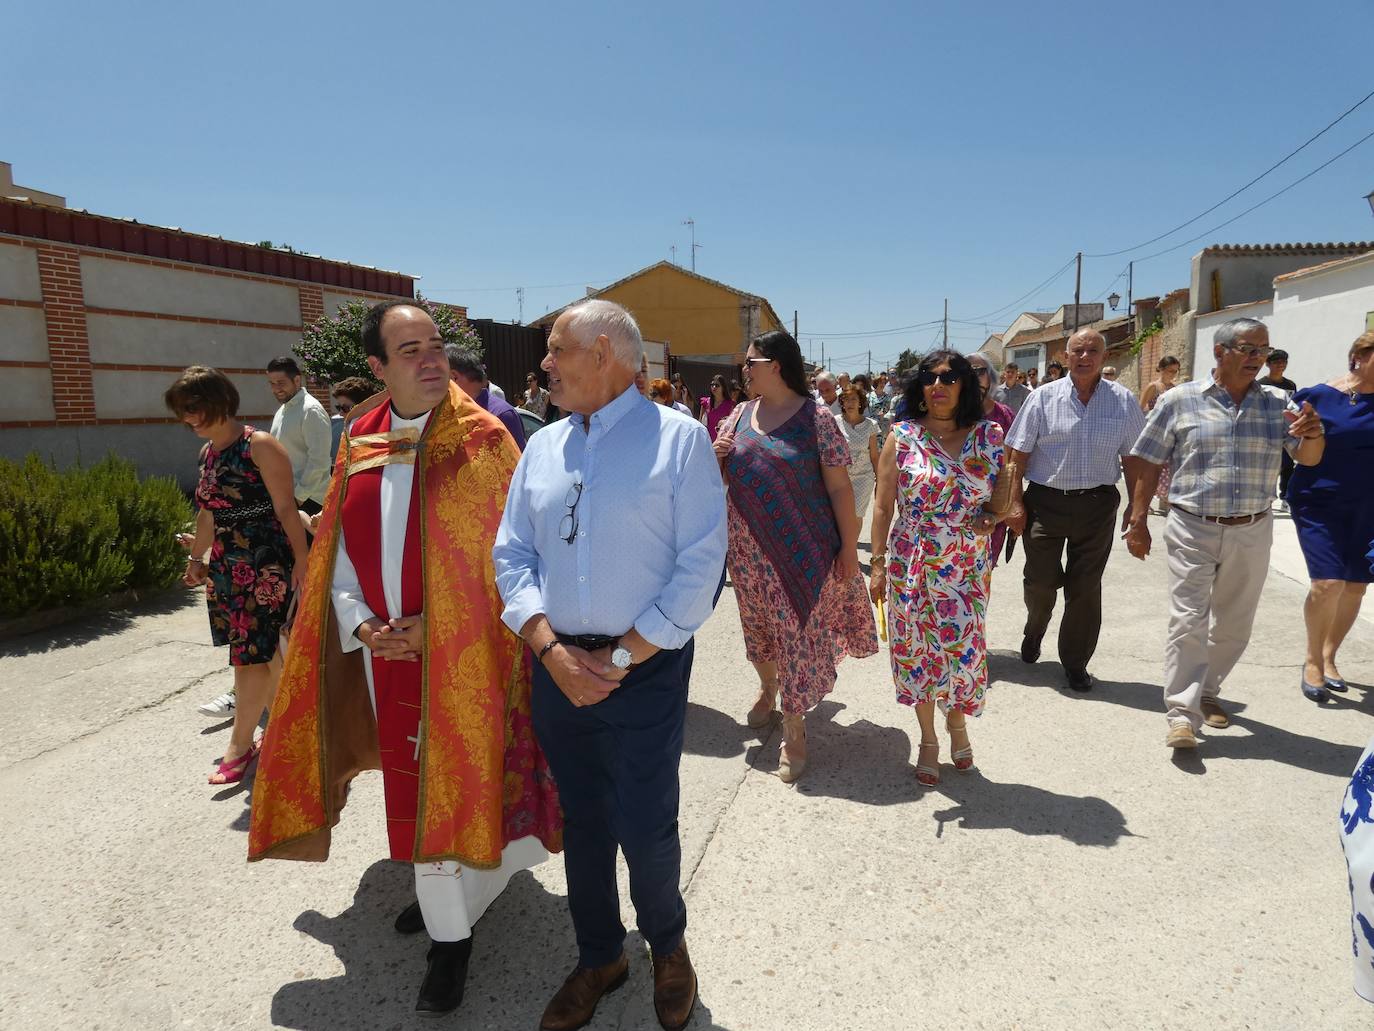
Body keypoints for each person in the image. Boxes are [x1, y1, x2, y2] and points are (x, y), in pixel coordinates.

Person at [248, 301, 562, 1016]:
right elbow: (340, 555)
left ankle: (452, 937)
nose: (431, 360)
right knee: (412, 781)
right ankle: (439, 888)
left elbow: (513, 563)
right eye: (410, 349)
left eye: (436, 346)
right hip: (381, 653)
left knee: (458, 779)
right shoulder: (358, 435)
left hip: (467, 657)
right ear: (377, 368)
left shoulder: (484, 439)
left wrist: (439, 629)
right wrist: (361, 627)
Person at [494, 299, 726, 1031]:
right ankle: (601, 955)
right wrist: (550, 648)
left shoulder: (679, 440)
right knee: (584, 818)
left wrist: (621, 654)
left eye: (556, 350)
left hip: (645, 666)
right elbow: (513, 553)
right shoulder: (543, 445)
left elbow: (701, 567)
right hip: (556, 661)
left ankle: (667, 947)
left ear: (602, 351)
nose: (545, 366)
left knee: (647, 822)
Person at [1124, 318, 1325, 748]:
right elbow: (1148, 461)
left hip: (1251, 527)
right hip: (1192, 525)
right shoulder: (1179, 400)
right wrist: (1138, 520)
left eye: (1264, 351)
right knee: (1188, 619)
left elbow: (1308, 458)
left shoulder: (1279, 403)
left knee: (1235, 624)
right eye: (1249, 349)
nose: (1259, 359)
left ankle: (1207, 690)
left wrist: (1314, 433)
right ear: (1220, 352)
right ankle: (1181, 712)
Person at [714, 330, 878, 783]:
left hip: (803, 554)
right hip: (747, 555)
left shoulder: (817, 418)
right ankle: (768, 688)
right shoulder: (739, 415)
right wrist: (716, 458)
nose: (744, 371)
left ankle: (795, 727)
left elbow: (840, 486)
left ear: (776, 365)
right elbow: (719, 478)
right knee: (759, 632)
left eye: (751, 362)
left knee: (795, 639)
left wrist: (849, 545)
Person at [869, 350, 1011, 785]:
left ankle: (958, 722)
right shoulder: (902, 434)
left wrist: (994, 514)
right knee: (916, 655)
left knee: (962, 654)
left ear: (966, 385)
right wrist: (876, 565)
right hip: (911, 560)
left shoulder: (989, 435)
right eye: (930, 378)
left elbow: (1001, 495)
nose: (939, 386)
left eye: (949, 379)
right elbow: (882, 502)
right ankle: (928, 738)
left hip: (965, 565)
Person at [165, 367, 307, 780]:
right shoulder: (208, 453)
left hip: (265, 562)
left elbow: (286, 508)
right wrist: (197, 558)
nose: (189, 419)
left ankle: (240, 747)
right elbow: (209, 510)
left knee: (251, 657)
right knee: (264, 657)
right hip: (229, 565)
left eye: (195, 409)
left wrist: (303, 559)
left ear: (221, 402)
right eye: (183, 412)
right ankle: (290, 733)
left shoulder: (258, 445)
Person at [1002, 328, 1148, 691]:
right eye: (1078, 351)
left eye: (1093, 351)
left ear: (1104, 356)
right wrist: (1014, 503)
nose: (1085, 357)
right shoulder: (1042, 398)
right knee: (1041, 582)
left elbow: (1134, 459)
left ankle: (1076, 662)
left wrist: (1137, 508)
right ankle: (1034, 629)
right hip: (1045, 503)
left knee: (1085, 588)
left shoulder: (1123, 400)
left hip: (1097, 505)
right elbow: (1016, 454)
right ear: (1066, 357)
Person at [1289, 332, 1374, 700]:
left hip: (1369, 505)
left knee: (1355, 584)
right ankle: (1311, 660)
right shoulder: (1317, 396)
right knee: (1328, 583)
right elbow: (1297, 451)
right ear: (1359, 355)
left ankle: (1329, 655)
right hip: (1319, 500)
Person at [966, 350, 1016, 569]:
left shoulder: (1004, 415)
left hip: (992, 513)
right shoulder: (949, 416)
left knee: (982, 575)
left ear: (991, 377)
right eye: (966, 372)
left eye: (979, 371)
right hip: (953, 511)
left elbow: (1014, 466)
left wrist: (1015, 506)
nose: (973, 376)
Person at [266, 356, 332, 516]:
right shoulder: (282, 411)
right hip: (289, 497)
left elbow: (319, 460)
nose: (276, 389)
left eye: (281, 383)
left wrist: (299, 497)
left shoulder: (311, 410)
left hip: (311, 501)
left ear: (296, 380)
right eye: (272, 384)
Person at [447, 345, 527, 450]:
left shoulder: (502, 415)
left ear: (454, 377)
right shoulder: (452, 414)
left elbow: (519, 464)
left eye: (440, 377)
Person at [1139, 356, 1182, 515]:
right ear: (1162, 369)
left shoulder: (1175, 388)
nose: (1173, 374)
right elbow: (1140, 408)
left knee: (1168, 469)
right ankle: (1145, 503)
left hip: (1171, 433)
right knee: (1150, 469)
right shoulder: (1153, 387)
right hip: (1154, 432)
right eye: (1170, 370)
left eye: (1175, 371)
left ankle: (1165, 500)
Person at [836, 384, 880, 524]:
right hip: (841, 478)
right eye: (846, 399)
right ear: (842, 402)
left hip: (863, 477)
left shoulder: (870, 425)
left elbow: (874, 456)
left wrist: (879, 480)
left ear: (860, 402)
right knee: (841, 515)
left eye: (853, 399)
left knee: (856, 514)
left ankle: (852, 545)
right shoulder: (834, 422)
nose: (850, 403)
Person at [1262, 349, 1299, 508]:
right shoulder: (1261, 384)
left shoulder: (1290, 385)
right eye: (1276, 362)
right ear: (1268, 364)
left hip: (1285, 430)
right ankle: (1264, 498)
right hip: (1267, 431)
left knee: (1288, 465)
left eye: (1283, 362)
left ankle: (1285, 497)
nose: (1281, 365)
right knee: (1267, 466)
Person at [329, 376, 374, 462]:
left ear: (363, 406)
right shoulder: (343, 430)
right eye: (338, 407)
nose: (341, 413)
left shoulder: (380, 434)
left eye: (345, 408)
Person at [699, 373, 735, 440]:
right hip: (707, 440)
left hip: (721, 440)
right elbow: (700, 423)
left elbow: (732, 426)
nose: (714, 387)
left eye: (717, 385)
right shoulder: (705, 403)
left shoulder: (730, 405)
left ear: (723, 388)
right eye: (712, 385)